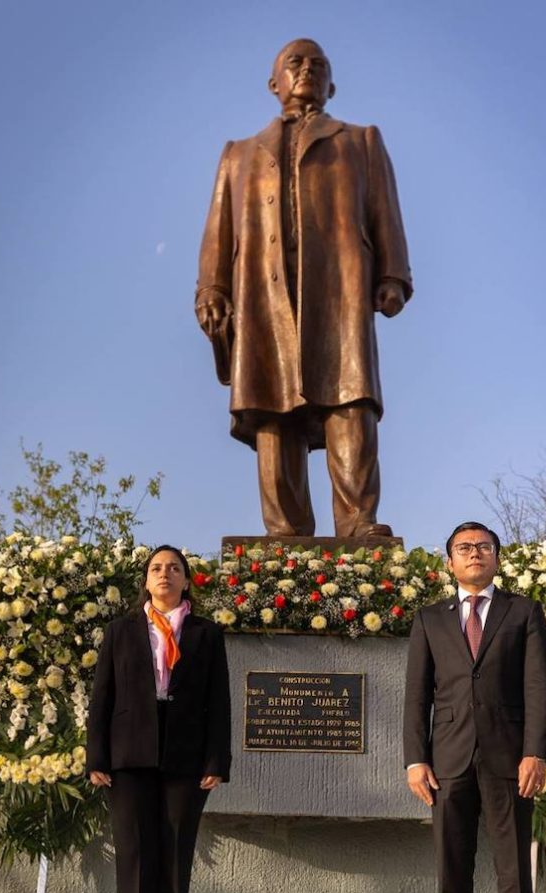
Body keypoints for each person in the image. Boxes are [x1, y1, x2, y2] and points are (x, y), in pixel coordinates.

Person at [195, 38, 412, 540]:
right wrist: (212, 289)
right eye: (295, 62)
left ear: (332, 85)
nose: (307, 69)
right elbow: (218, 231)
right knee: (273, 407)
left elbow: (385, 211)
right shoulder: (238, 154)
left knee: (350, 398)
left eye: (318, 63)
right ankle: (286, 534)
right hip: (261, 294)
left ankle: (357, 522)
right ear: (274, 83)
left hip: (339, 289)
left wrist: (393, 275)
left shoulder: (360, 141)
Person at [403, 522, 546, 893]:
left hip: (510, 758)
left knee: (513, 871)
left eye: (483, 546)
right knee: (452, 869)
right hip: (447, 761)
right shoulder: (430, 619)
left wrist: (536, 751)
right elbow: (417, 696)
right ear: (450, 561)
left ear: (496, 557)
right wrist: (415, 758)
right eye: (464, 548)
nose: (475, 553)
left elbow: (540, 687)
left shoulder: (523, 612)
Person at [86, 545, 231, 893]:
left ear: (186, 580)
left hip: (186, 757)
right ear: (146, 581)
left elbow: (219, 701)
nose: (164, 574)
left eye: (173, 568)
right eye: (156, 568)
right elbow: (102, 698)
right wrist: (96, 757)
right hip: (129, 756)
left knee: (173, 862)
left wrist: (217, 760)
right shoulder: (121, 631)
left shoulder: (207, 634)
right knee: (134, 860)